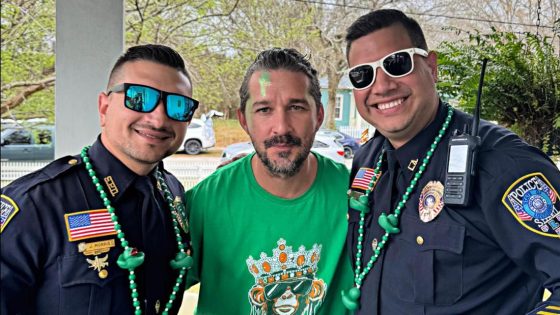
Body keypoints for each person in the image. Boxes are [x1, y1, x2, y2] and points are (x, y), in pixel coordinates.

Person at [341, 9, 560, 314]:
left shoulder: (500, 163)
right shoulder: (367, 161)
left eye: (397, 64)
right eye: (363, 75)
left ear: (431, 67)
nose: (381, 86)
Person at [1, 44, 197, 315]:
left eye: (178, 105)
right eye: (139, 98)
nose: (159, 118)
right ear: (104, 107)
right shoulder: (34, 205)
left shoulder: (172, 192)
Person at [185, 48, 353, 314]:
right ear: (243, 119)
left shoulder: (355, 197)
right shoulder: (206, 201)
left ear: (318, 116)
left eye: (296, 107)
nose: (281, 127)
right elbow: (153, 289)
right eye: (264, 109)